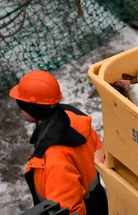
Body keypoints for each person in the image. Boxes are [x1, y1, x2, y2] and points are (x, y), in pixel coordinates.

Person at [9, 70, 108, 215]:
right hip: (98, 198)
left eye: (22, 105)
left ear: (33, 109)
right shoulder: (73, 116)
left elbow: (67, 209)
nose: (20, 109)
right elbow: (99, 151)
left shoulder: (55, 158)